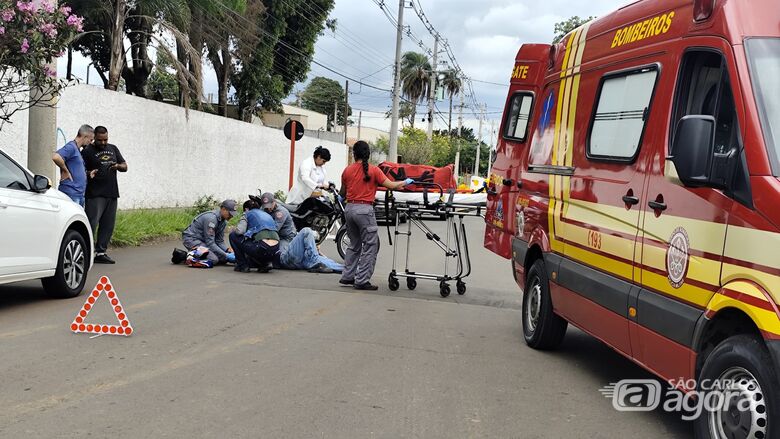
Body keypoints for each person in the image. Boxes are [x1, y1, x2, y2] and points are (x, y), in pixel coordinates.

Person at [339, 141, 412, 290]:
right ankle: (361, 280)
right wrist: (405, 182)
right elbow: (391, 185)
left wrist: (342, 197)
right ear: (368, 154)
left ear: (354, 155)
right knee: (370, 246)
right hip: (365, 211)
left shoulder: (347, 170)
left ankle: (347, 276)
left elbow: (342, 193)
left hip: (350, 209)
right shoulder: (374, 171)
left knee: (354, 244)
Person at [258, 193, 344, 273]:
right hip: (285, 256)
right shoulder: (264, 211)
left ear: (274, 202)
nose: (268, 209)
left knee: (325, 261)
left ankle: (348, 271)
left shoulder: (280, 212)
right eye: (265, 207)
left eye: (269, 206)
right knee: (306, 232)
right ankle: (313, 262)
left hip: (288, 243)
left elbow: (273, 230)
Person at [82, 126, 128, 264]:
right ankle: (86, 252)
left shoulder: (113, 148)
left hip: (111, 192)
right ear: (94, 137)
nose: (103, 143)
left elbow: (125, 166)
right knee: (92, 223)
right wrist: (88, 173)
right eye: (100, 140)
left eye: (105, 139)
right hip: (94, 194)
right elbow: (80, 169)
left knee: (108, 225)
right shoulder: (87, 151)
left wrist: (117, 166)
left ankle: (101, 252)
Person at [182, 199, 237, 265]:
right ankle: (189, 256)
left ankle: (197, 254)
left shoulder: (223, 222)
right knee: (213, 260)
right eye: (230, 213)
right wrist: (226, 255)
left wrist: (227, 250)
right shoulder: (211, 219)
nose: (231, 216)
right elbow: (210, 243)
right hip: (192, 239)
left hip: (203, 241)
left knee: (223, 259)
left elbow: (219, 241)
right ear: (223, 209)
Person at [52, 124, 96, 207]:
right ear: (85, 136)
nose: (90, 143)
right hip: (71, 192)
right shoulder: (71, 147)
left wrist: (87, 174)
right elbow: (56, 157)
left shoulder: (77, 149)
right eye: (90, 140)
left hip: (79, 194)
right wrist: (65, 170)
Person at [229, 206, 280, 273]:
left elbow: (240, 231)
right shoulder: (267, 215)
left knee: (233, 235)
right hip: (276, 249)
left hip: (262, 247)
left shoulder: (247, 214)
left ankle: (242, 266)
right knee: (258, 242)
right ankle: (265, 263)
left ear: (246, 209)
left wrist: (234, 229)